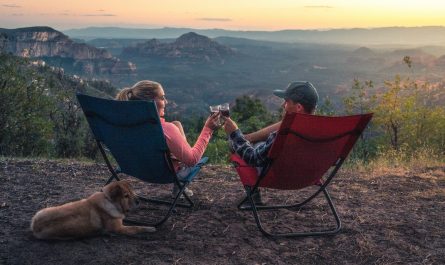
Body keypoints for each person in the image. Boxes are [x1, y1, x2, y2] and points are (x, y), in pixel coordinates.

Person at [116, 80, 221, 197]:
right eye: (162, 98)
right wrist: (208, 128)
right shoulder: (166, 130)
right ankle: (180, 182)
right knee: (188, 157)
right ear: (151, 102)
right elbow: (192, 160)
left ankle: (179, 159)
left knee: (177, 124)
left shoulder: (123, 125)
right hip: (164, 174)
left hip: (135, 169)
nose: (166, 102)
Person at [222, 81, 319, 204]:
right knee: (253, 142)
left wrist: (235, 134)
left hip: (278, 176)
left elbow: (252, 158)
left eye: (287, 101)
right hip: (309, 176)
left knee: (236, 145)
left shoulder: (284, 135)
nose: (283, 105)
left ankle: (253, 195)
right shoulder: (323, 131)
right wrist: (249, 137)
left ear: (298, 107)